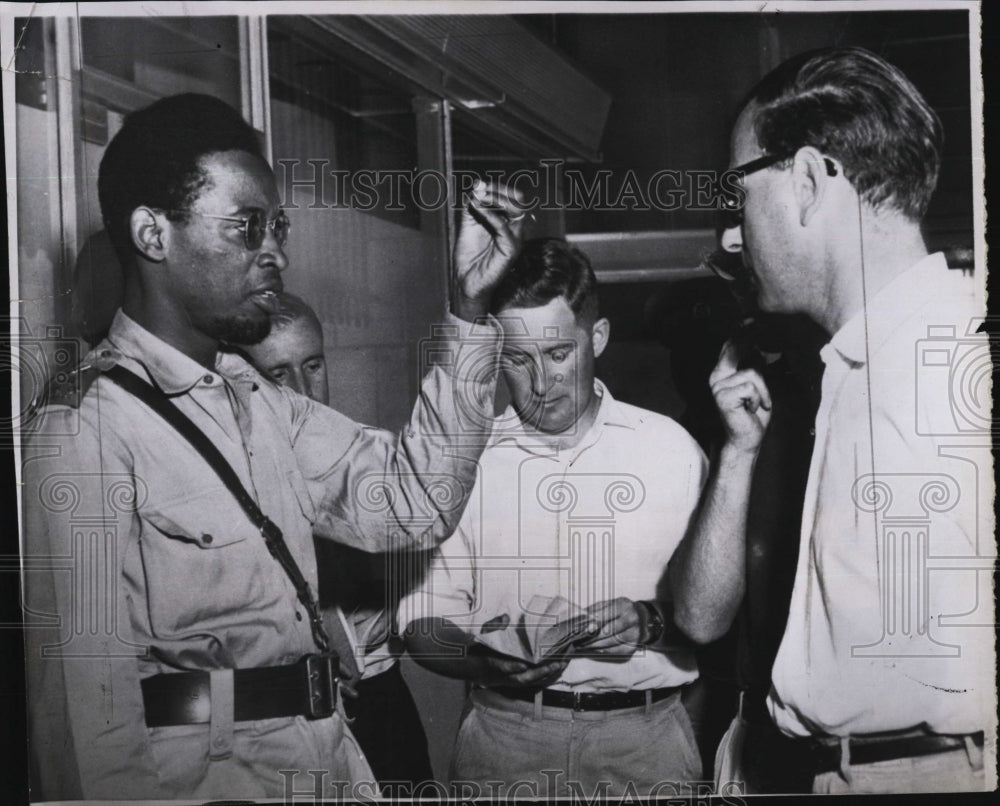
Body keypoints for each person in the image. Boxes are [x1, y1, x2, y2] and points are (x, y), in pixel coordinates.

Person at [21, 92, 524, 801]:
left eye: (277, 226)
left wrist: (468, 311)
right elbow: (82, 733)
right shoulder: (83, 429)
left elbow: (415, 504)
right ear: (152, 234)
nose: (276, 252)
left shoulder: (263, 404)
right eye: (246, 227)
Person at [671, 47, 992, 794]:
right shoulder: (861, 361)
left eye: (737, 193)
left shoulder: (947, 361)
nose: (731, 232)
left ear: (810, 181)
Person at [401, 238, 710, 799]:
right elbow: (423, 627)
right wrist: (484, 663)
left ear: (598, 338)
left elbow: (720, 619)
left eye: (558, 354)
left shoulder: (673, 452)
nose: (541, 384)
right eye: (518, 360)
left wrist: (651, 625)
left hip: (644, 747)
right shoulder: (465, 459)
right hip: (505, 743)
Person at [239, 292, 434, 792]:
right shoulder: (229, 480)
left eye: (313, 365)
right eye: (278, 375)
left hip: (380, 697)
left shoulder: (371, 463)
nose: (304, 391)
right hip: (286, 717)